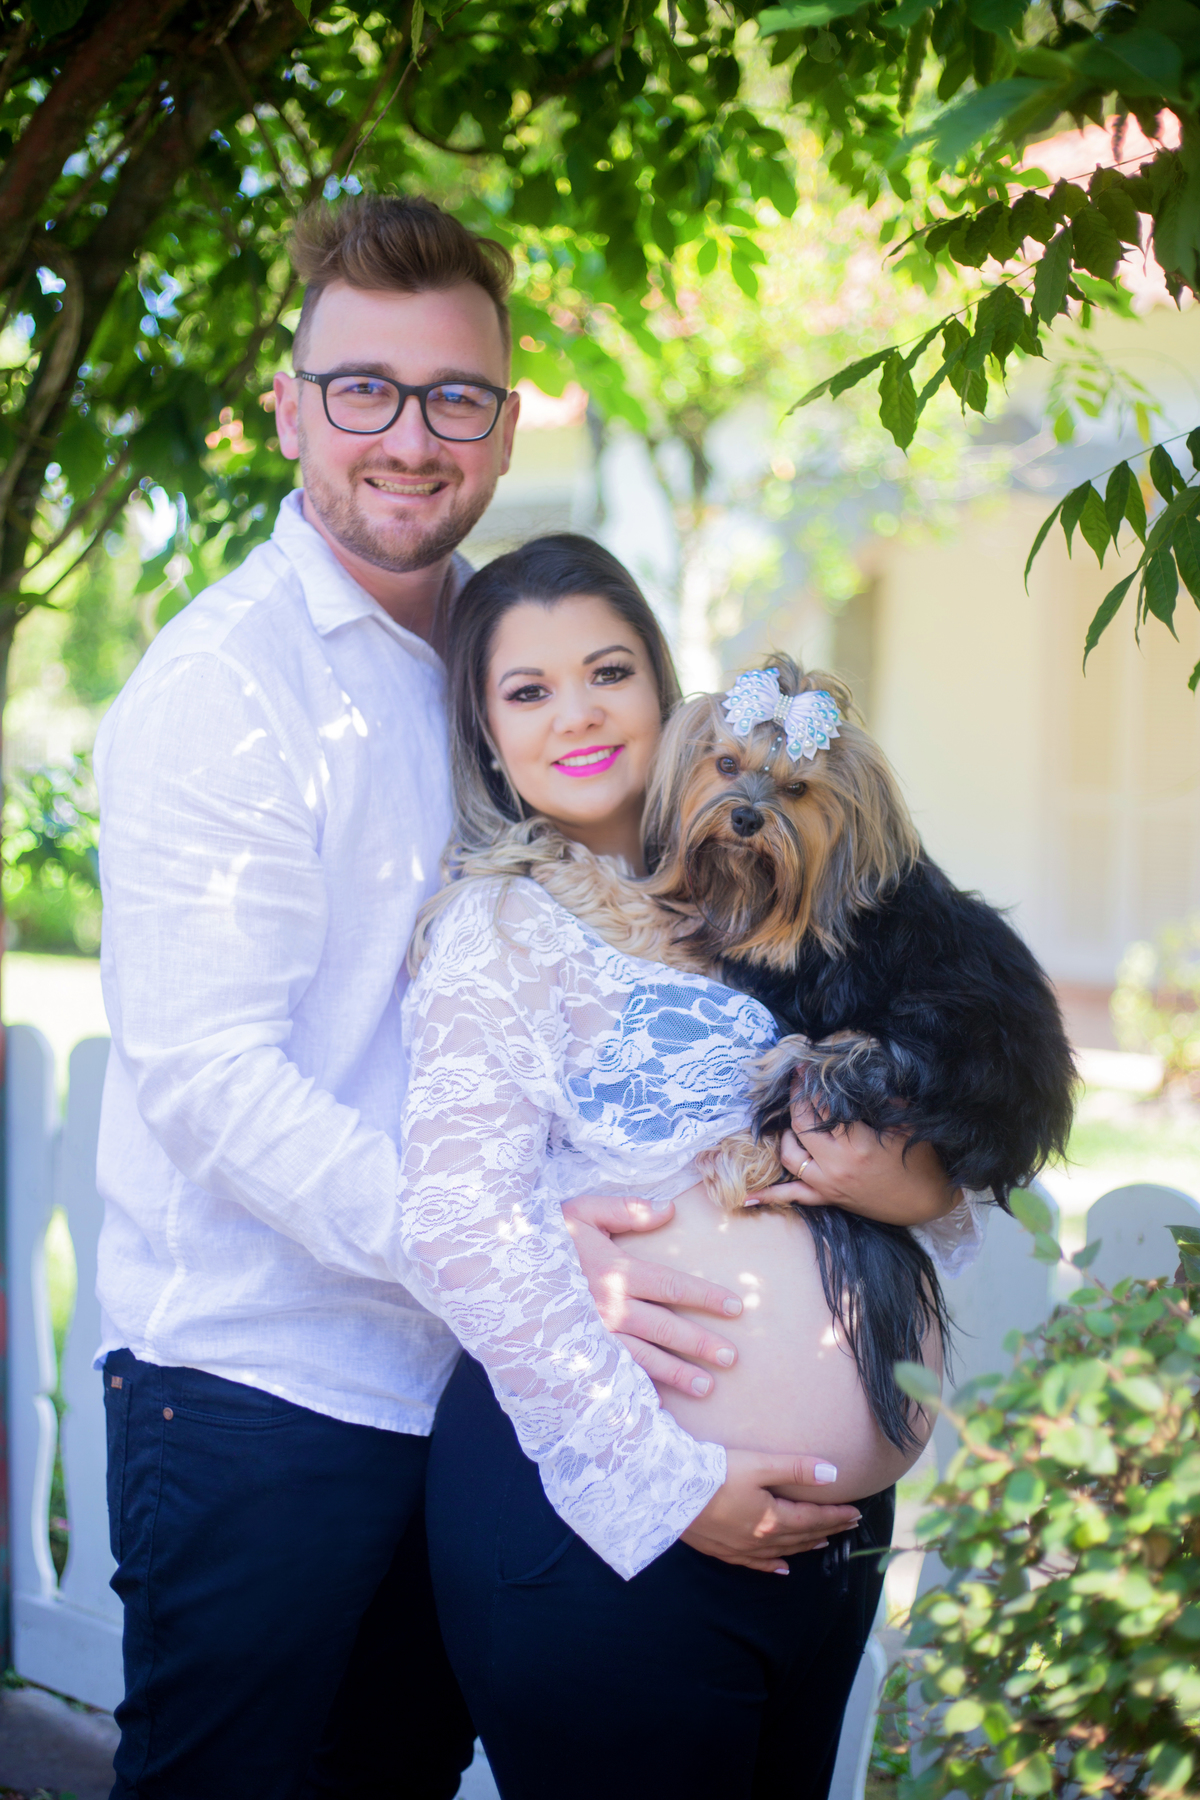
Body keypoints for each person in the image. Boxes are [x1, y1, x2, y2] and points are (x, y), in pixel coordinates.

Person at [94, 195, 811, 1800]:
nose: (410, 438)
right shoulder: (225, 689)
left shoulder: (527, 650)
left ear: (503, 417)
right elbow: (213, 1082)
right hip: (264, 1388)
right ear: (289, 406)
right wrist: (485, 1241)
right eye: (365, 389)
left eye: (455, 397)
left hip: (485, 1384)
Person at [399, 536, 988, 1799]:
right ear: (487, 734)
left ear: (672, 701)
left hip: (819, 1548)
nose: (579, 714)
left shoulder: (787, 900)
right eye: (528, 691)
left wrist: (910, 1188)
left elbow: (949, 1148)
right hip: (615, 1521)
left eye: (609, 671)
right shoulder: (505, 925)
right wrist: (672, 1487)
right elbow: (457, 1222)